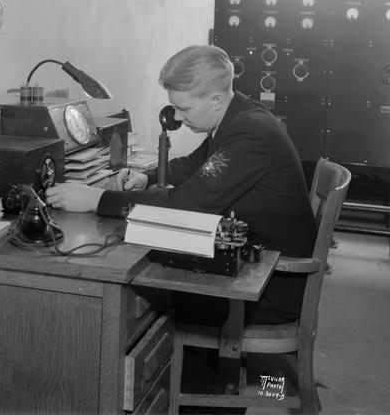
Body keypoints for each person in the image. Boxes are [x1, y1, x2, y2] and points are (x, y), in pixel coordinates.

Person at [45, 44, 316, 325]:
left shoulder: (250, 134)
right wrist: (146, 177)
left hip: (270, 282)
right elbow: (197, 163)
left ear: (215, 101)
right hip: (254, 260)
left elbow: (186, 205)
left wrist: (95, 200)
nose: (177, 117)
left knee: (152, 301)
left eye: (183, 108)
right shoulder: (239, 114)